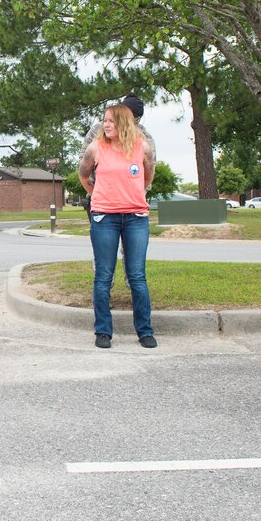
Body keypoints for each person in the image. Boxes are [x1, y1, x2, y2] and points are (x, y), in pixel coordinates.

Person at [79, 104, 156, 349]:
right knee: (103, 276)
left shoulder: (142, 146)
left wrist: (136, 193)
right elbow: (83, 175)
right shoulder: (96, 148)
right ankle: (103, 332)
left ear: (124, 122)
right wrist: (98, 195)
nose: (106, 125)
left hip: (136, 218)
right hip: (104, 219)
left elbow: (149, 173)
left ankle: (144, 331)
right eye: (104, 120)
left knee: (137, 276)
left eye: (111, 120)